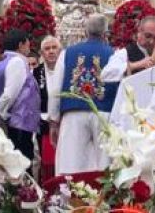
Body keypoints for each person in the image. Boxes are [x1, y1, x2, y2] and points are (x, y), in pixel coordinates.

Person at [49, 14, 121, 175]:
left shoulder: (67, 53)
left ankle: (70, 197)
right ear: (105, 33)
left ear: (85, 32)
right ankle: (105, 197)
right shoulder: (114, 54)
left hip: (74, 112)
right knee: (105, 165)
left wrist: (54, 120)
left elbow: (55, 89)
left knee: (71, 165)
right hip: (103, 112)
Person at [0, 28, 41, 163]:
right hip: (17, 123)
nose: (29, 47)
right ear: (20, 45)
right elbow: (10, 94)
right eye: (27, 44)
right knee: (21, 164)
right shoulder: (18, 61)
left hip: (6, 121)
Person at [34, 35, 62, 185]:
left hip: (64, 124)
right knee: (47, 164)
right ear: (42, 53)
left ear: (60, 50)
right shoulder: (35, 73)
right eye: (47, 49)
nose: (51, 51)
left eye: (54, 48)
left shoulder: (67, 71)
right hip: (43, 126)